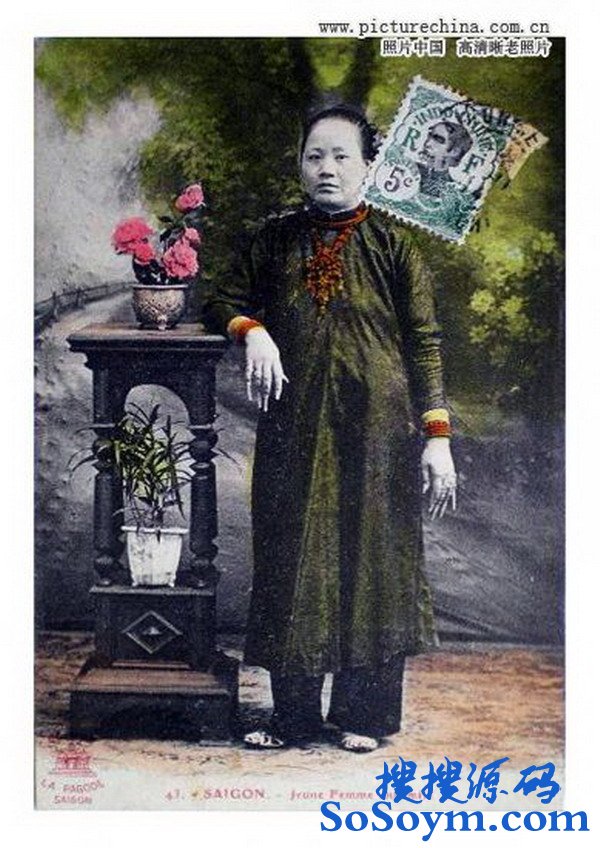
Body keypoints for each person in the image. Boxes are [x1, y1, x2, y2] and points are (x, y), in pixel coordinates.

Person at [203, 103, 457, 753]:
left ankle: (363, 717)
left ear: (368, 166)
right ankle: (293, 718)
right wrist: (252, 330)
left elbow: (425, 343)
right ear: (299, 166)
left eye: (343, 156)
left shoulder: (395, 247)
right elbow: (221, 300)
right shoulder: (274, 241)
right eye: (315, 156)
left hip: (379, 433)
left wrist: (437, 438)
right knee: (293, 557)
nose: (327, 168)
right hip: (293, 428)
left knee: (374, 562)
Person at [417, 119, 473, 197]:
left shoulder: (451, 192)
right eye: (429, 136)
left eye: (438, 140)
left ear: (454, 152)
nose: (427, 143)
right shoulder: (411, 169)